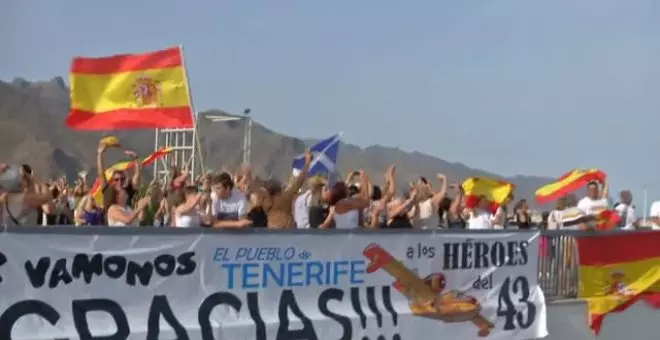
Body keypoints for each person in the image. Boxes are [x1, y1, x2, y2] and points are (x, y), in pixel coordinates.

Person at [263, 149, 312, 228]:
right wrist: (307, 163)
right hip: (287, 231)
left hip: (271, 231)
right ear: (279, 189)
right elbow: (299, 181)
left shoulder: (265, 202)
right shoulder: (285, 197)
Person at [97, 142, 141, 217]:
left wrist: (135, 158)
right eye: (116, 179)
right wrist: (100, 154)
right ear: (112, 181)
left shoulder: (127, 191)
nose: (119, 182)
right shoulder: (108, 190)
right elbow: (101, 173)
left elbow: (137, 175)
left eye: (122, 179)